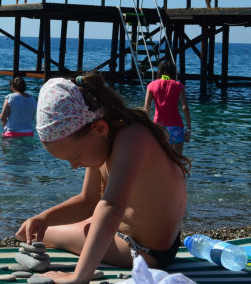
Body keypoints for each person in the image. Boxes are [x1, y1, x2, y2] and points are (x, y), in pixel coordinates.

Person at [16, 74, 190, 283]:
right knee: (39, 229)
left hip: (146, 251)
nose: (74, 166)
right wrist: (45, 218)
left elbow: (110, 208)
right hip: (135, 235)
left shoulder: (133, 139)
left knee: (47, 235)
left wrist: (78, 277)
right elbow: (88, 201)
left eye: (75, 156)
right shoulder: (105, 140)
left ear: (99, 128)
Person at [143, 61, 191, 155]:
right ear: (174, 72)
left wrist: (145, 127)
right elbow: (185, 107)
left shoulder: (151, 85)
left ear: (160, 71)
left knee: (159, 158)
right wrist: (189, 129)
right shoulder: (178, 85)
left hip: (158, 126)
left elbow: (146, 108)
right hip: (176, 126)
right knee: (177, 159)